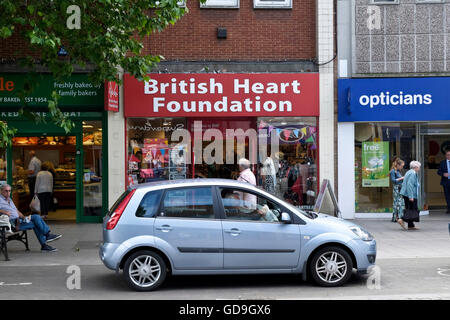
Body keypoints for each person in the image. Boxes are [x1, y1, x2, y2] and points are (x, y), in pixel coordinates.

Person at [0, 183, 61, 252]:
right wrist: (4, 212)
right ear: (1, 191)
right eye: (6, 191)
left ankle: (46, 238)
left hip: (20, 220)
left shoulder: (9, 199)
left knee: (36, 217)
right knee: (36, 223)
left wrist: (23, 217)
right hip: (12, 223)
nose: (8, 193)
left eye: (9, 191)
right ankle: (45, 240)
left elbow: (16, 211)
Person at [400, 161, 421, 230]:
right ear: (415, 167)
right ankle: (402, 219)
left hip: (406, 194)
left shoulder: (409, 172)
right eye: (419, 167)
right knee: (413, 209)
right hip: (410, 194)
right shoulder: (413, 173)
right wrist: (411, 196)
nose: (419, 169)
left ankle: (411, 225)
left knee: (410, 209)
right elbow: (410, 185)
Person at [390, 158, 405, 224]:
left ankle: (398, 217)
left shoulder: (398, 171)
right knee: (398, 202)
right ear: (398, 165)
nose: (402, 167)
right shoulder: (393, 171)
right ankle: (396, 217)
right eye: (401, 166)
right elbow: (393, 180)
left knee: (399, 202)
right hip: (397, 188)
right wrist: (402, 178)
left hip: (400, 187)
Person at [437, 149, 450, 214]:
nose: (449, 156)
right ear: (445, 155)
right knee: (447, 196)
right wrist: (443, 174)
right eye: (447, 155)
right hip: (445, 182)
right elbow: (438, 172)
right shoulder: (442, 162)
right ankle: (449, 208)